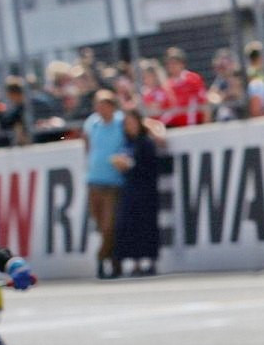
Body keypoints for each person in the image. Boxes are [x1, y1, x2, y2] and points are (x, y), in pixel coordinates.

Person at [80, 90, 127, 279]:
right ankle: (115, 260)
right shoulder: (92, 123)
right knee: (101, 226)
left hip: (113, 182)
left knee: (110, 225)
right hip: (94, 181)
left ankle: (102, 259)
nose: (100, 109)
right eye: (97, 105)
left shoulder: (120, 122)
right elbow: (87, 143)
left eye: (104, 104)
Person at [112, 109, 165, 276]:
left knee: (147, 226)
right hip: (130, 189)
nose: (130, 127)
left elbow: (151, 167)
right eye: (127, 124)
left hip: (146, 190)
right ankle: (135, 262)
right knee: (130, 227)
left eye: (132, 123)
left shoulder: (145, 142)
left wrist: (132, 165)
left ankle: (151, 260)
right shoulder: (126, 144)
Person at [162, 47, 209, 127]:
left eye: (175, 63)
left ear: (182, 63)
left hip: (194, 125)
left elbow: (204, 102)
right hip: (177, 128)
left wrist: (207, 125)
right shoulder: (167, 84)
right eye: (169, 63)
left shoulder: (193, 78)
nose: (171, 66)